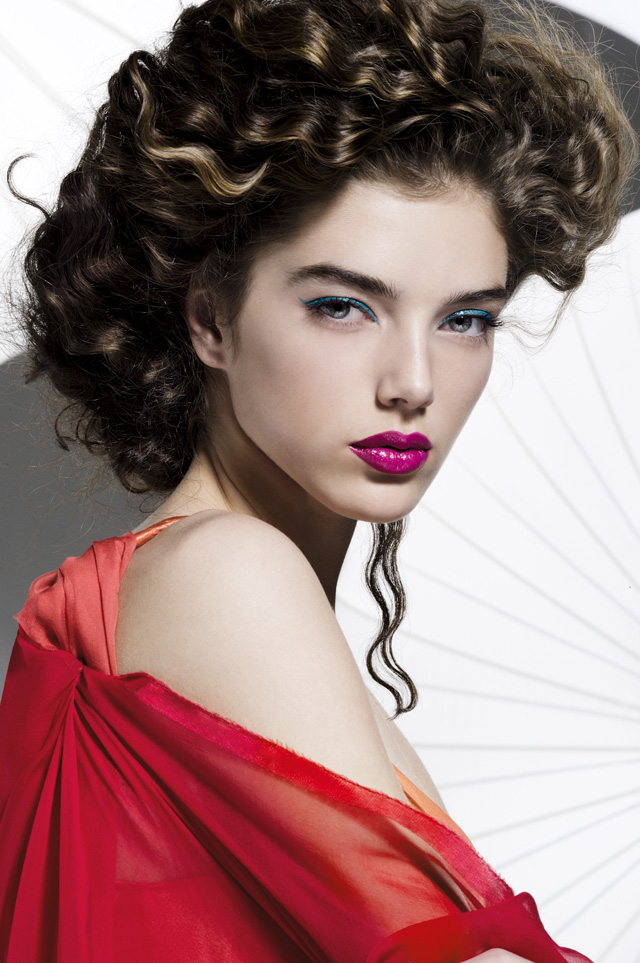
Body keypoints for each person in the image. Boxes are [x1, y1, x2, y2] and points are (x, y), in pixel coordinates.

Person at [0, 0, 635, 960]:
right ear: (211, 319)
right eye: (344, 306)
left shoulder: (202, 597)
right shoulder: (225, 572)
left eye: (465, 319)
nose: (414, 382)